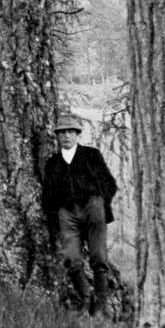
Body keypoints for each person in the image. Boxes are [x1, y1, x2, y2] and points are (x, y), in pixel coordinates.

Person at [42, 112, 119, 316]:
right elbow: (48, 196)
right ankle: (86, 299)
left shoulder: (91, 155)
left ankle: (101, 307)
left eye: (70, 132)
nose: (66, 136)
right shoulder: (53, 163)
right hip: (67, 213)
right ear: (57, 136)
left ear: (77, 134)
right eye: (62, 133)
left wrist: (100, 203)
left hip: (94, 209)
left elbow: (109, 183)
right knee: (71, 258)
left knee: (98, 256)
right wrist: (56, 216)